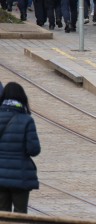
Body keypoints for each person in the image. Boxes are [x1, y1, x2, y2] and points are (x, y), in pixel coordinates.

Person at [0, 82, 40, 214]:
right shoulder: (26, 120)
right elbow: (34, 150)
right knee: (20, 214)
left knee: (2, 214)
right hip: (20, 176)